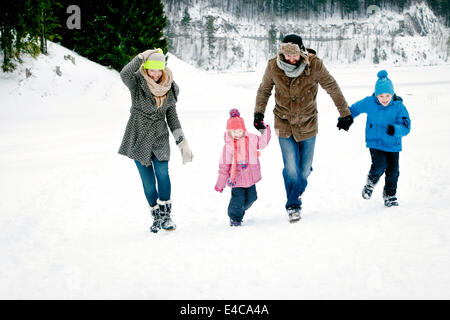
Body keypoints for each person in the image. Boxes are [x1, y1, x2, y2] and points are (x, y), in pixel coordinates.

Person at [254, 34, 353, 223]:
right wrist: (258, 114)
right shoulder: (273, 66)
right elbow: (264, 90)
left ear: (302, 52)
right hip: (283, 124)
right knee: (291, 168)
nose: (291, 59)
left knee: (304, 169)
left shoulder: (314, 65)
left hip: (308, 124)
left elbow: (332, 87)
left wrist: (344, 113)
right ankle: (293, 206)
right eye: (287, 56)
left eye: (295, 56)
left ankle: (298, 184)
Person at [118, 48, 193, 233]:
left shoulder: (169, 88)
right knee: (149, 183)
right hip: (138, 137)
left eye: (159, 70)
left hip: (159, 137)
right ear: (146, 69)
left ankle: (167, 216)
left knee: (163, 174)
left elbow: (172, 117)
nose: (156, 74)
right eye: (152, 69)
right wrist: (142, 56)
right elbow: (124, 73)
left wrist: (182, 142)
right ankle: (156, 217)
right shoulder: (137, 84)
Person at [346, 70, 411, 207]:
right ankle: (370, 183)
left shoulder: (399, 107)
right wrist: (347, 117)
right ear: (376, 95)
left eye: (387, 95)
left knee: (393, 172)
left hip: (393, 144)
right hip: (375, 142)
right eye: (381, 96)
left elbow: (406, 126)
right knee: (380, 164)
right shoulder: (370, 102)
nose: (384, 99)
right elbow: (354, 109)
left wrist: (395, 129)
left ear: (392, 94)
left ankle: (390, 195)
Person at [215, 109, 271, 226]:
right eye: (233, 131)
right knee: (237, 201)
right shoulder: (228, 147)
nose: (236, 133)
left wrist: (264, 128)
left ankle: (240, 210)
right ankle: (235, 218)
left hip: (250, 178)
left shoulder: (251, 139)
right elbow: (223, 168)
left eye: (238, 130)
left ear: (243, 129)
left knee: (252, 198)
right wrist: (220, 184)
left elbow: (263, 143)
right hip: (237, 180)